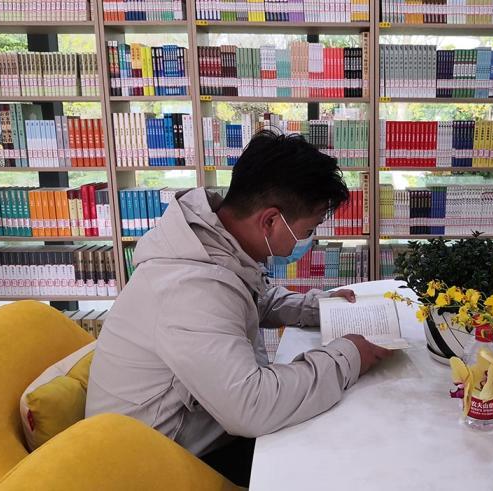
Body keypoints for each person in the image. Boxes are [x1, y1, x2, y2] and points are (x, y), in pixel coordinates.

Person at [85, 130, 392, 487]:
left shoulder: (212, 242)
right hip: (153, 465)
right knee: (334, 457)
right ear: (270, 221)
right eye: (308, 230)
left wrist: (316, 308)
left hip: (193, 430)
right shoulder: (190, 288)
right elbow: (252, 406)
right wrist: (349, 355)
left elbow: (250, 300)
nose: (309, 241)